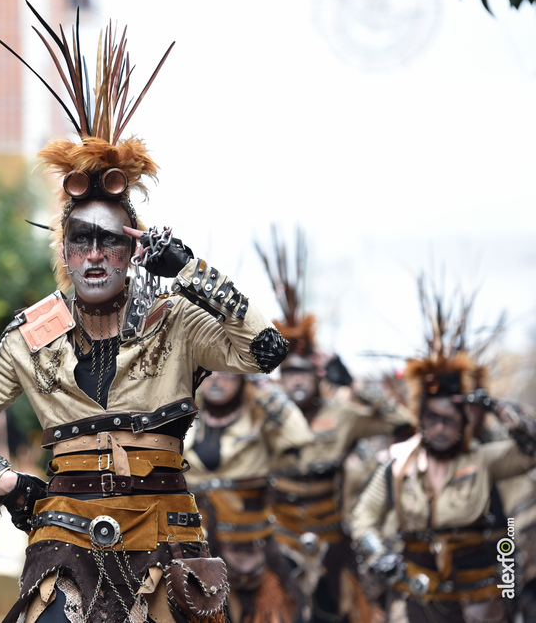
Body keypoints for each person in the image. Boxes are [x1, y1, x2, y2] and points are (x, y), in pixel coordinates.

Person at [0, 5, 290, 623]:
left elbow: (266, 350)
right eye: (80, 241)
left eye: (110, 240)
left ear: (133, 248)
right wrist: (3, 482)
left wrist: (194, 270)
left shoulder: (175, 320)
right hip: (64, 550)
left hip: (167, 548)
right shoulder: (32, 333)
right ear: (63, 251)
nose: (95, 255)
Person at [349, 281, 536, 623]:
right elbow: (363, 517)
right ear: (420, 419)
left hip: (479, 596)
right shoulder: (398, 463)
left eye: (449, 420)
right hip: (417, 593)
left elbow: (531, 450)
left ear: (463, 423)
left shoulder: (484, 460)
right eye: (432, 419)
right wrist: (379, 555)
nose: (440, 428)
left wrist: (497, 408)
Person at [257, 228, 412, 623]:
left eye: (304, 373)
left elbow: (405, 425)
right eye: (288, 372)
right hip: (280, 543)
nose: (295, 381)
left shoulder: (341, 414)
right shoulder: (263, 410)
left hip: (333, 544)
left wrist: (358, 384)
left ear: (318, 372)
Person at [185, 372, 311, 622]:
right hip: (192, 548)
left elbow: (301, 437)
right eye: (210, 373)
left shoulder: (258, 415)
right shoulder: (186, 416)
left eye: (228, 374)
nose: (217, 380)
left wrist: (263, 384)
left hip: (250, 550)